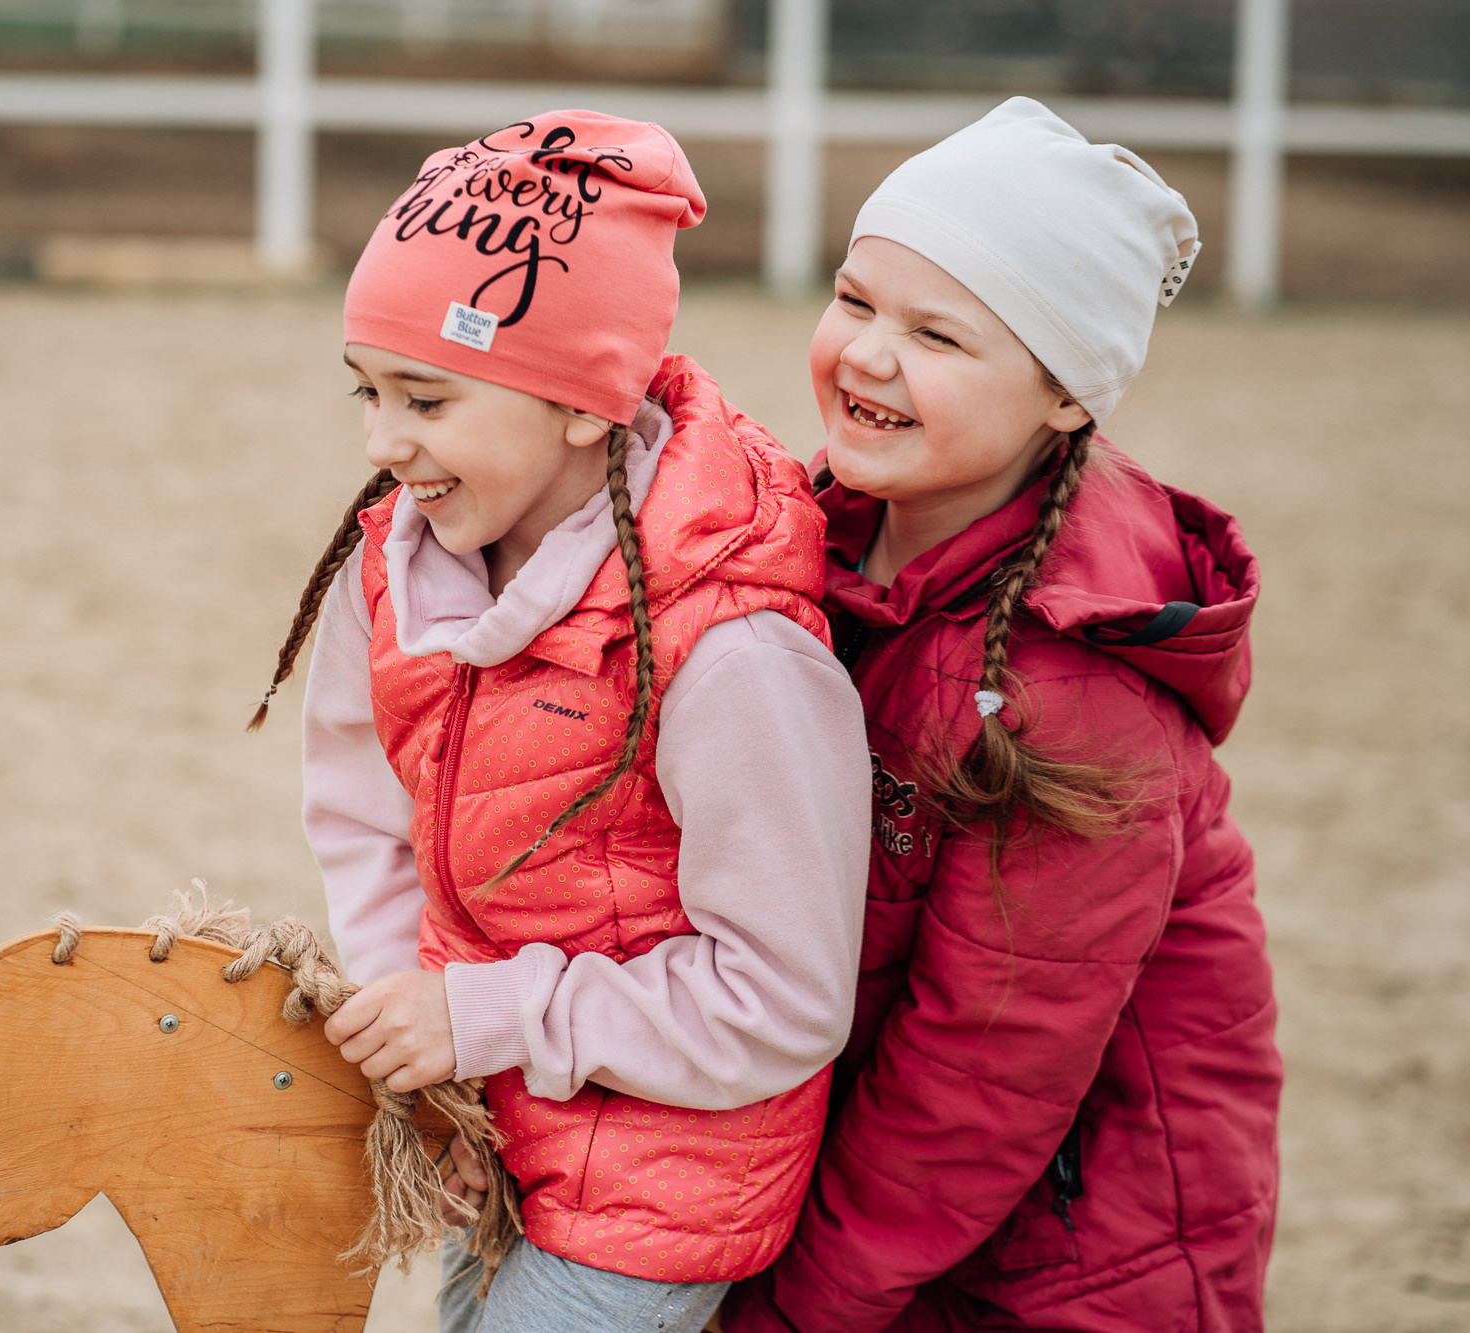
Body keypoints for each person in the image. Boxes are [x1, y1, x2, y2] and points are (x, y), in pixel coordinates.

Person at [247, 111, 872, 1332]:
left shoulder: (730, 650)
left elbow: (785, 998)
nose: (382, 446)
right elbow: (365, 819)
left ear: (583, 405)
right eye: (367, 392)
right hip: (495, 1124)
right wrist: (433, 1075)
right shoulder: (395, 572)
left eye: (424, 398)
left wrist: (479, 1018)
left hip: (660, 1186)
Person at [723, 98, 1282, 1332]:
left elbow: (979, 1073)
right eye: (855, 299)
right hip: (898, 1214)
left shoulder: (1067, 694)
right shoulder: (808, 546)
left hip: (1075, 1257)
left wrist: (796, 1308)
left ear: (1065, 397)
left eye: (936, 334)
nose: (867, 354)